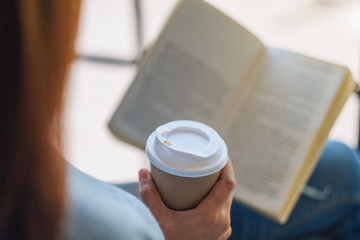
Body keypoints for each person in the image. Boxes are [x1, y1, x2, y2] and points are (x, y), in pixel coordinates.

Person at [1, 1, 359, 240]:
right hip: (154, 226)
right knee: (348, 186)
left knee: (336, 168)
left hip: (113, 200)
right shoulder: (106, 227)